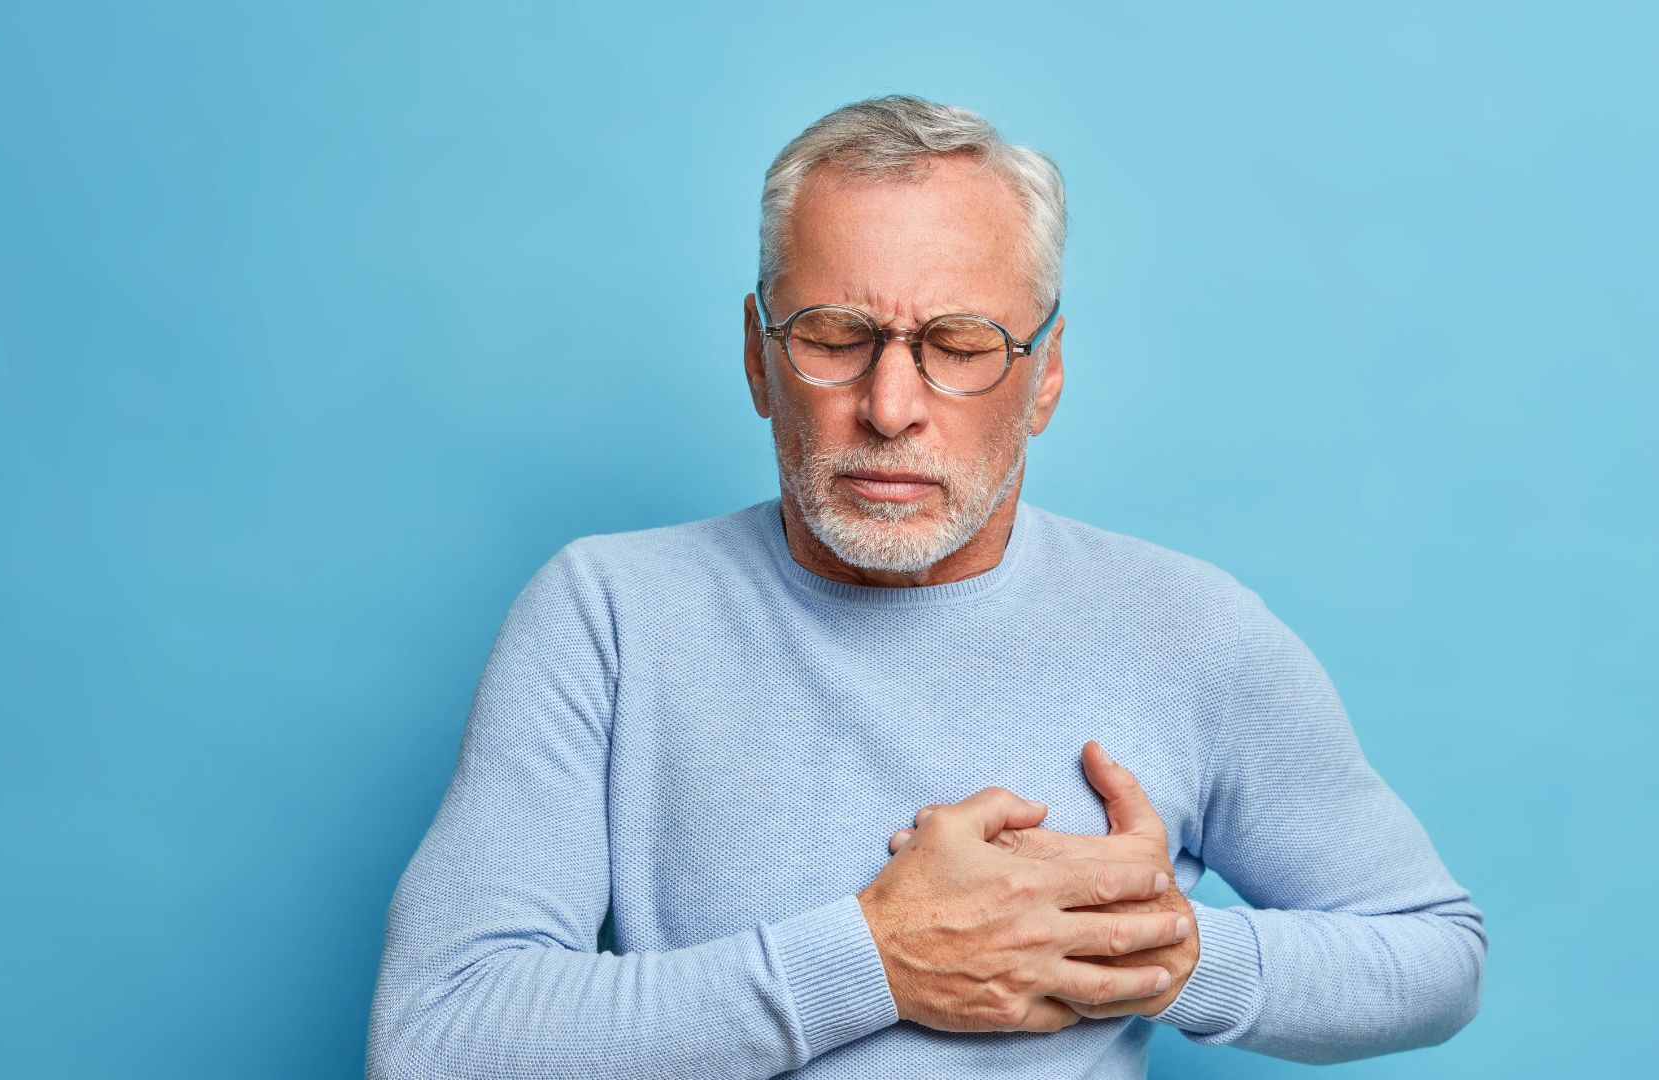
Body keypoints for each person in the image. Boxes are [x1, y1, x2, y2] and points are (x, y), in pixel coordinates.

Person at [365, 94, 1486, 1079]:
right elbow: (437, 1039)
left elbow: (1437, 957)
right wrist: (874, 961)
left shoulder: (1194, 631)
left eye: (959, 342)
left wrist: (1162, 953)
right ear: (758, 358)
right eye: (835, 335)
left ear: (1044, 375)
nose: (892, 404)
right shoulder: (607, 614)